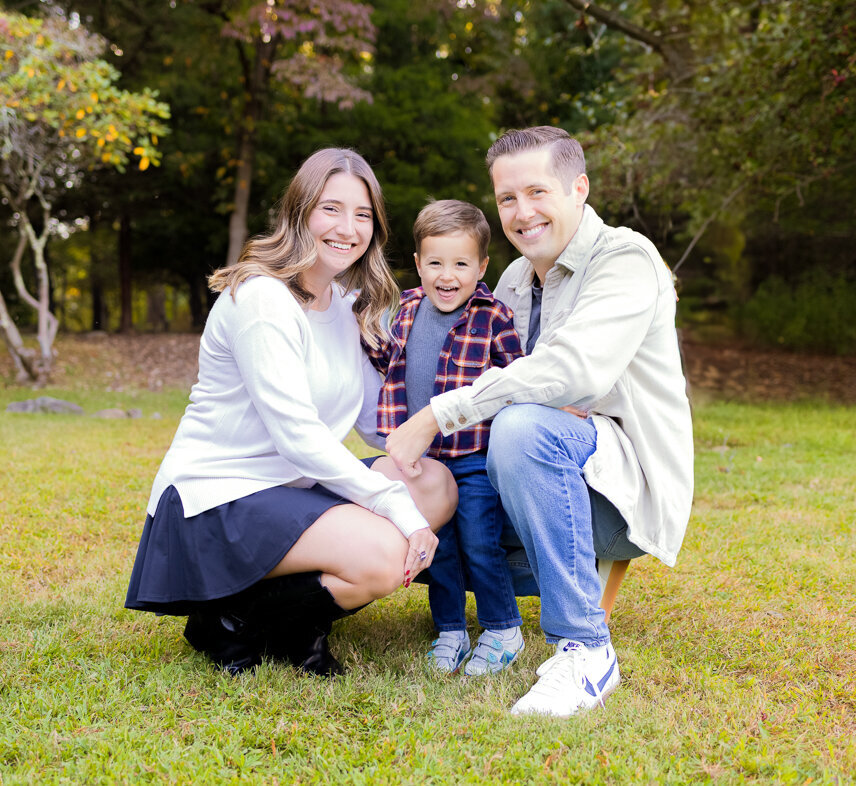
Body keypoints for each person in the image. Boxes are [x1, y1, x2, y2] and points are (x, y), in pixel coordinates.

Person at [386, 127, 694, 716]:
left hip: (617, 492)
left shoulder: (627, 260)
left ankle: (586, 652)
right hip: (520, 480)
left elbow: (573, 371)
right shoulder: (512, 281)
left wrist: (444, 413)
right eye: (507, 199)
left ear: (578, 188)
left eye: (537, 191)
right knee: (420, 474)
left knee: (523, 427)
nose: (522, 212)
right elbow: (533, 384)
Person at [125, 148, 458, 677]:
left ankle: (283, 621)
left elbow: (380, 426)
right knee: (381, 552)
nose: (348, 228)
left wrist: (467, 424)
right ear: (300, 210)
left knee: (435, 484)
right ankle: (227, 622)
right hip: (216, 498)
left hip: (289, 492)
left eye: (363, 214)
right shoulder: (262, 300)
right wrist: (396, 507)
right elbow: (299, 439)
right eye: (332, 208)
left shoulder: (348, 307)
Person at [365, 199, 525, 676]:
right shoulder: (405, 310)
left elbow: (513, 383)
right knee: (441, 546)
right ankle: (450, 630)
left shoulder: (494, 316)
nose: (447, 275)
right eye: (435, 262)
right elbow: (383, 362)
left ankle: (502, 627)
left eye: (460, 263)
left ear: (481, 266)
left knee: (479, 541)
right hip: (423, 461)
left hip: (474, 458)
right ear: (417, 264)